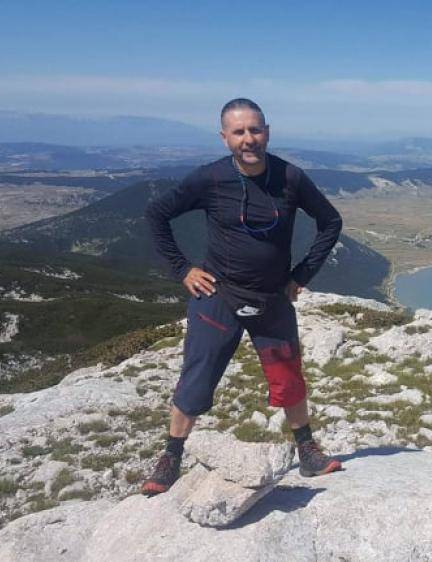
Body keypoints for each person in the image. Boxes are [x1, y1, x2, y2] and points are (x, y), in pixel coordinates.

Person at [140, 98, 343, 495]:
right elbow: (156, 214)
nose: (248, 139)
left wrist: (302, 274)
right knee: (197, 379)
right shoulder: (210, 179)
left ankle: (307, 451)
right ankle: (170, 457)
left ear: (267, 132)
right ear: (224, 138)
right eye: (239, 132)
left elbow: (330, 221)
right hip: (219, 295)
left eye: (255, 129)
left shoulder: (290, 177)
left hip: (271, 298)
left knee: (288, 376)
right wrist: (183, 269)